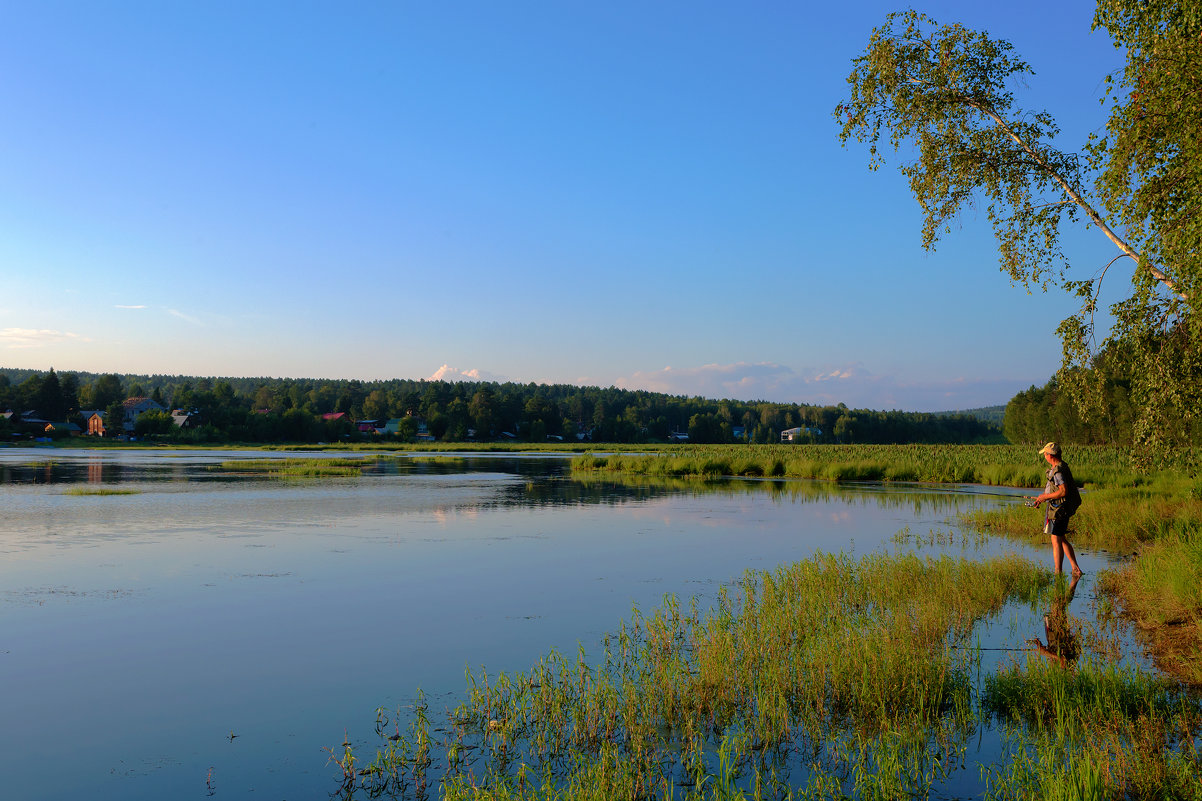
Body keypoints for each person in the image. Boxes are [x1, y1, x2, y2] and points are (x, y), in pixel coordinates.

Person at [1031, 442, 1083, 577]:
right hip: (1058, 507)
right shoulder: (1059, 467)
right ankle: (1075, 568)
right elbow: (1052, 489)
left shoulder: (1058, 471)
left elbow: (1063, 491)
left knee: (1056, 540)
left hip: (1061, 509)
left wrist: (1045, 496)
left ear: (1050, 455)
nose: (1044, 456)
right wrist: (1041, 499)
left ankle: (1058, 572)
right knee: (1061, 538)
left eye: (1045, 454)